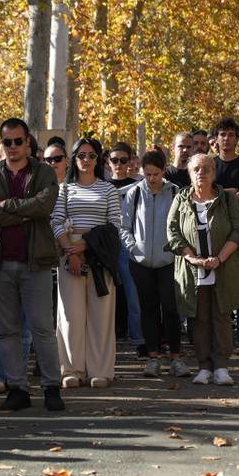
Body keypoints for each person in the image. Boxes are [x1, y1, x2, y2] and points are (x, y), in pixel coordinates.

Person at [0, 118, 64, 412]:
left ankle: (52, 387)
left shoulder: (43, 172)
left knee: (42, 329)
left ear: (27, 143)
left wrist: (8, 205)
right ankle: (17, 389)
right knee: (7, 331)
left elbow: (45, 205)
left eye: (17, 141)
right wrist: (25, 211)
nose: (12, 147)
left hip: (34, 261)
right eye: (7, 142)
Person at [166, 152, 239, 385]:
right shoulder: (181, 199)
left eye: (206, 169)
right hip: (192, 270)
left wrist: (219, 259)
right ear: (189, 174)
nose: (201, 173)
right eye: (196, 169)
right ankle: (204, 367)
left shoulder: (227, 198)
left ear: (214, 173)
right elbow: (172, 232)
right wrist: (192, 259)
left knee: (221, 316)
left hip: (223, 267)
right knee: (198, 318)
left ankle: (221, 367)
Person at [52, 137, 121, 388]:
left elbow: (114, 225)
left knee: (101, 315)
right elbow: (56, 221)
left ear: (98, 159)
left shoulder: (109, 190)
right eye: (81, 155)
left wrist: (87, 245)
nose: (87, 160)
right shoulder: (64, 189)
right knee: (71, 315)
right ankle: (71, 369)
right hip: (68, 253)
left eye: (92, 155)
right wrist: (71, 251)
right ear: (74, 158)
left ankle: (100, 371)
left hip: (100, 257)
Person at [121, 149, 190, 378]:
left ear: (163, 171)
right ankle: (152, 357)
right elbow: (124, 226)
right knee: (147, 310)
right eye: (148, 174)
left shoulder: (174, 192)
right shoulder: (134, 193)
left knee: (170, 309)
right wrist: (133, 247)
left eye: (156, 174)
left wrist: (176, 249)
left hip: (168, 260)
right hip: (140, 261)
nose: (152, 179)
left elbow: (182, 225)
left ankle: (176, 358)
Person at [212, 117, 239, 354]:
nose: (226, 138)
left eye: (231, 134)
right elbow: (203, 195)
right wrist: (232, 194)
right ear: (216, 139)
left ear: (237, 139)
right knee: (216, 293)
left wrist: (221, 194)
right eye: (222, 134)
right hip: (213, 238)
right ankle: (221, 341)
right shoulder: (209, 165)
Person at [108, 140, 144, 350]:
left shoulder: (139, 187)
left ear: (130, 161)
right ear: (108, 162)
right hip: (104, 246)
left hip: (129, 246)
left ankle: (138, 339)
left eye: (123, 160)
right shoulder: (101, 185)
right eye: (114, 160)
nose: (119, 164)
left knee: (134, 297)